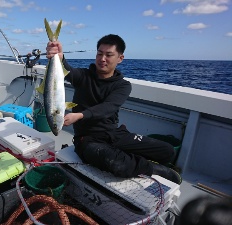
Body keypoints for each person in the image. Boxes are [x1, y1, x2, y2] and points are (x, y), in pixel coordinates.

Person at [45, 34, 181, 184]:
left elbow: (108, 107)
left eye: (108, 55)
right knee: (117, 164)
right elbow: (66, 70)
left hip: (114, 134)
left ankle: (130, 159)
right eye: (99, 54)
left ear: (120, 58)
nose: (102, 59)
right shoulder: (82, 76)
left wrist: (81, 115)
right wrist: (59, 56)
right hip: (87, 140)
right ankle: (152, 169)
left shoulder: (123, 85)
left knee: (167, 151)